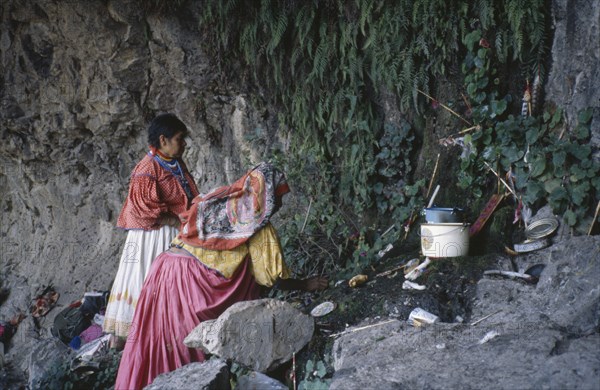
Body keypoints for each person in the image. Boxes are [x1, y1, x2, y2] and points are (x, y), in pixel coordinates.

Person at [114, 162, 328, 390]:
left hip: (163, 271)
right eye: (278, 196)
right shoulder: (257, 227)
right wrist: (305, 284)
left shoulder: (219, 198)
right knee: (187, 353)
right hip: (190, 284)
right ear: (267, 197)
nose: (280, 203)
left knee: (155, 344)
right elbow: (271, 278)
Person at [103, 114, 199, 348]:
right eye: (179, 138)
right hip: (153, 236)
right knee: (146, 278)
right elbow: (142, 209)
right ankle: (137, 337)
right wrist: (175, 221)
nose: (184, 143)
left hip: (173, 228)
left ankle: (164, 334)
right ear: (163, 140)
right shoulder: (147, 169)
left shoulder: (174, 162)